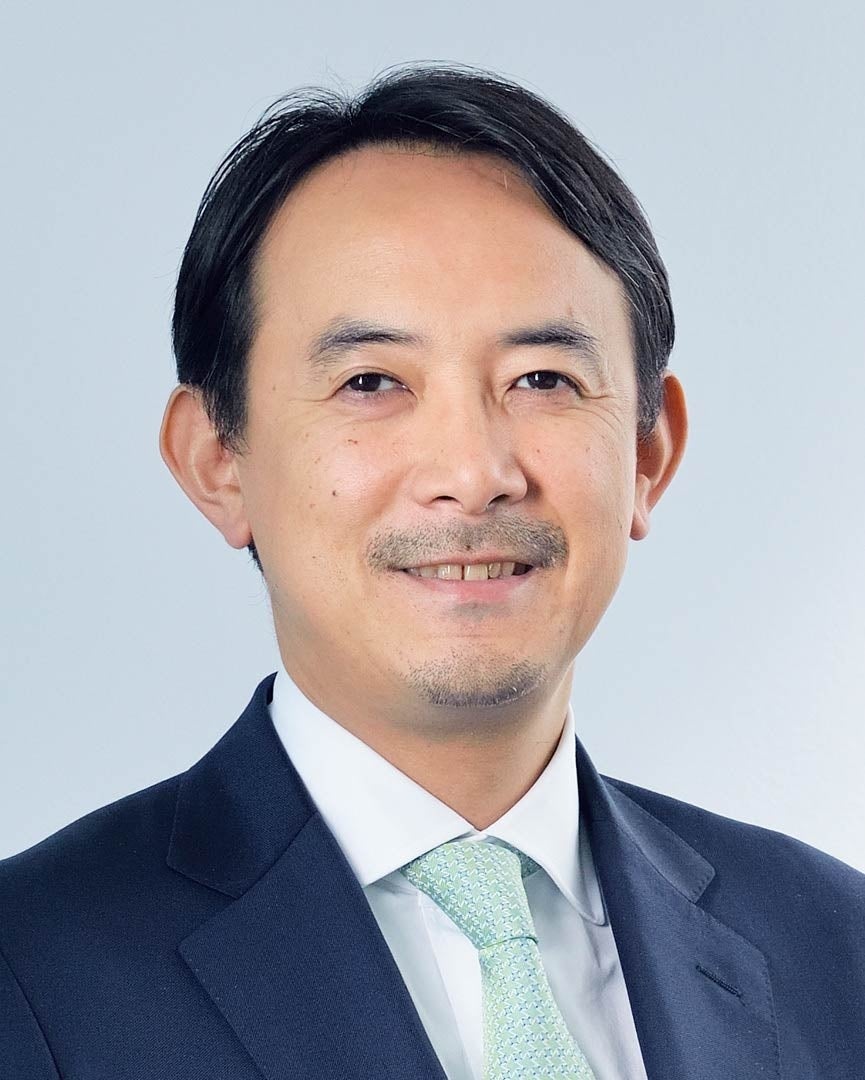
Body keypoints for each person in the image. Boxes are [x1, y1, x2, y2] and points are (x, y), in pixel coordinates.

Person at [1, 64, 862, 1080]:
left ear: (647, 455)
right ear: (217, 460)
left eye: (541, 379)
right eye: (371, 381)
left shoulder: (834, 947)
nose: (473, 472)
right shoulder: (31, 971)